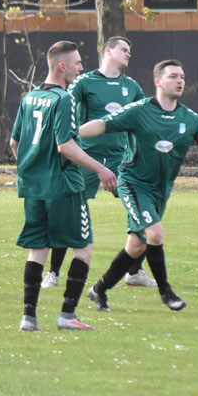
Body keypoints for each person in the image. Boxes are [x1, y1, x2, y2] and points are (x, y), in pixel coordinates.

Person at [81, 59, 198, 313]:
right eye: (173, 76)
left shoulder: (189, 118)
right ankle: (165, 291)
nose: (179, 81)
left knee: (137, 246)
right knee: (155, 234)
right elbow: (103, 124)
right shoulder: (138, 110)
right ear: (158, 81)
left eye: (182, 76)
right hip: (133, 183)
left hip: (161, 190)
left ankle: (99, 289)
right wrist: (70, 134)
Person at [9, 40, 117, 332]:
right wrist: (100, 168)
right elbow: (65, 145)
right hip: (64, 187)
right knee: (83, 247)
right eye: (78, 63)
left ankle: (28, 318)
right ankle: (67, 315)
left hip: (32, 188)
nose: (82, 68)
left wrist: (32, 170)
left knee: (38, 248)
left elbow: (14, 142)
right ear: (62, 66)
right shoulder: (64, 99)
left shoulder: (29, 97)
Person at [42, 36, 157, 290]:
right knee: (68, 211)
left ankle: (135, 272)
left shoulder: (132, 86)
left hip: (119, 161)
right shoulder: (84, 82)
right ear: (108, 51)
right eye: (124, 49)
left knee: (146, 209)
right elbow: (65, 109)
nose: (129, 54)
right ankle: (52, 273)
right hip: (87, 159)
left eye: (130, 50)